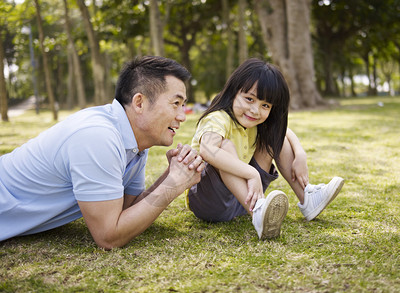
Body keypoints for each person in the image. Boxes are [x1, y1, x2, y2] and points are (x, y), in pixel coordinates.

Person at [0, 56, 205, 249]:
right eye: (175, 103)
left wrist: (170, 175)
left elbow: (127, 211)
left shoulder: (135, 144)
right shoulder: (98, 136)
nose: (182, 116)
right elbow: (108, 236)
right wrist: (174, 184)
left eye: (184, 105)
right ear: (139, 103)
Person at [187, 58, 344, 240]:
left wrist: (300, 154)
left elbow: (284, 131)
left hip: (242, 200)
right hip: (208, 203)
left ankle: (307, 197)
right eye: (249, 99)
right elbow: (209, 150)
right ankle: (259, 214)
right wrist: (251, 173)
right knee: (225, 145)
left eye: (265, 105)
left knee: (276, 138)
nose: (255, 110)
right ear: (233, 92)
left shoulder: (255, 121)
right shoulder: (218, 118)